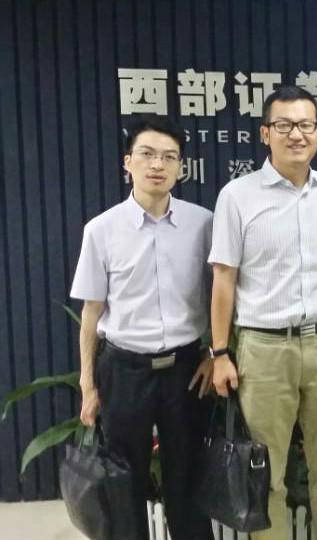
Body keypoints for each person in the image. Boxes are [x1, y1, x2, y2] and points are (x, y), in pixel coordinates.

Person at [208, 85, 317, 540]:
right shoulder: (237, 196)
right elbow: (224, 278)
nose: (296, 134)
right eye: (284, 125)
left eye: (305, 125)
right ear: (265, 133)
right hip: (264, 350)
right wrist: (220, 352)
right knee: (266, 473)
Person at [71, 116, 215, 540]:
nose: (158, 165)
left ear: (181, 167)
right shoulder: (101, 230)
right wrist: (88, 385)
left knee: (187, 480)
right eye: (148, 154)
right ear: (127, 162)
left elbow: (221, 295)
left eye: (169, 157)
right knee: (124, 483)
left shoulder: (203, 224)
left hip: (186, 369)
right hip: (125, 370)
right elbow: (91, 313)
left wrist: (215, 352)